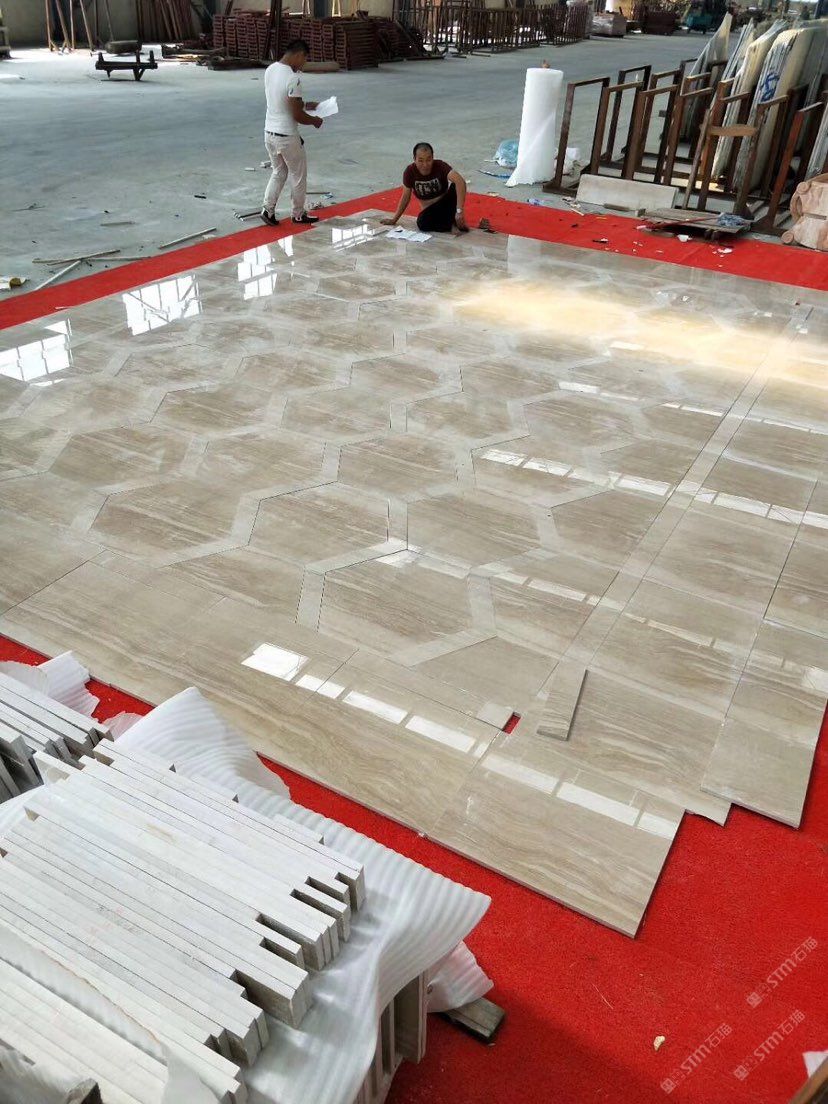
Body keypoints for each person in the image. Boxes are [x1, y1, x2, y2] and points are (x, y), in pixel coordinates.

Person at [261, 39, 323, 228]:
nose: (303, 64)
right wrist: (314, 120)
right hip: (287, 135)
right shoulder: (293, 78)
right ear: (299, 55)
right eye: (304, 59)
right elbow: (296, 114)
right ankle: (298, 214)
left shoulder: (270, 70)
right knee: (298, 175)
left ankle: (267, 209)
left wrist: (305, 104)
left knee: (279, 171)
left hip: (269, 132)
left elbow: (281, 101)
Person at [381, 143, 469, 234]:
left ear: (433, 158)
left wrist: (459, 211)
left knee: (456, 185)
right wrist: (394, 219)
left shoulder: (440, 165)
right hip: (429, 211)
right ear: (414, 159)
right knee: (422, 223)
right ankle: (450, 223)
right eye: (421, 161)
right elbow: (406, 197)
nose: (425, 165)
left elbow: (460, 182)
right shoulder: (410, 172)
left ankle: (452, 221)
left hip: (446, 206)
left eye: (428, 160)